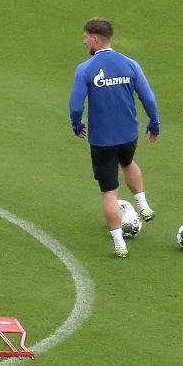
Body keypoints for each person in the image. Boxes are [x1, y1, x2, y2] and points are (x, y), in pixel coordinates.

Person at [69, 18, 160, 258]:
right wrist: (154, 122)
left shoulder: (85, 69)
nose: (84, 42)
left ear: (95, 39)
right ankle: (143, 205)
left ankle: (120, 245)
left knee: (109, 192)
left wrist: (76, 124)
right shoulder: (130, 64)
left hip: (102, 140)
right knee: (127, 162)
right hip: (129, 135)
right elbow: (148, 98)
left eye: (86, 38)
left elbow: (76, 106)